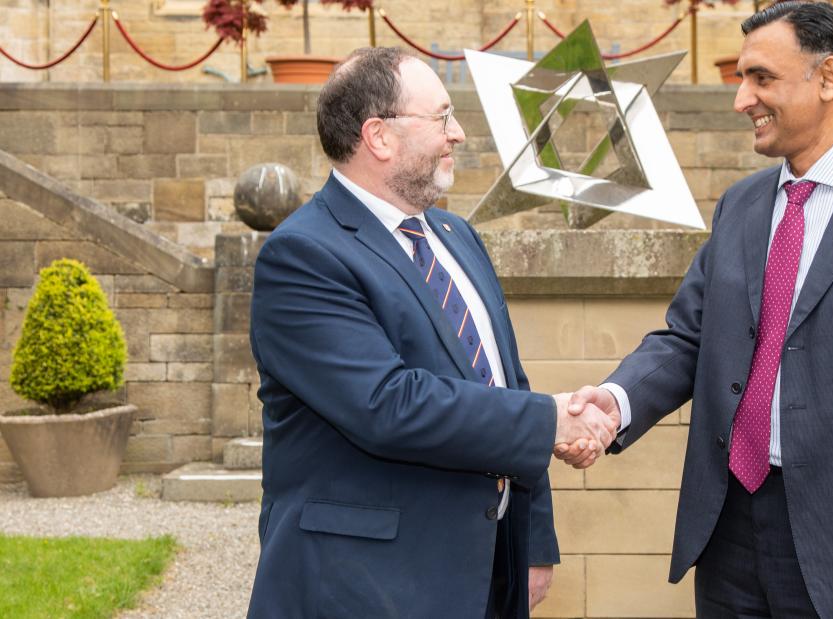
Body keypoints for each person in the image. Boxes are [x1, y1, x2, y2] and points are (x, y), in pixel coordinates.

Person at [559, 2, 833, 617]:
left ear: (828, 78)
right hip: (729, 533)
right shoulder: (741, 205)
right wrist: (615, 403)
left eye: (761, 78)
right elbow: (687, 339)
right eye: (741, 78)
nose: (741, 98)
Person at [246, 46, 615, 619]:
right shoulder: (303, 255)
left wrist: (533, 542)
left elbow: (506, 384)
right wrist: (552, 419)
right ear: (380, 136)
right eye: (442, 117)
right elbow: (387, 404)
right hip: (362, 585)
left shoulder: (455, 236)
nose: (459, 133)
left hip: (484, 571)